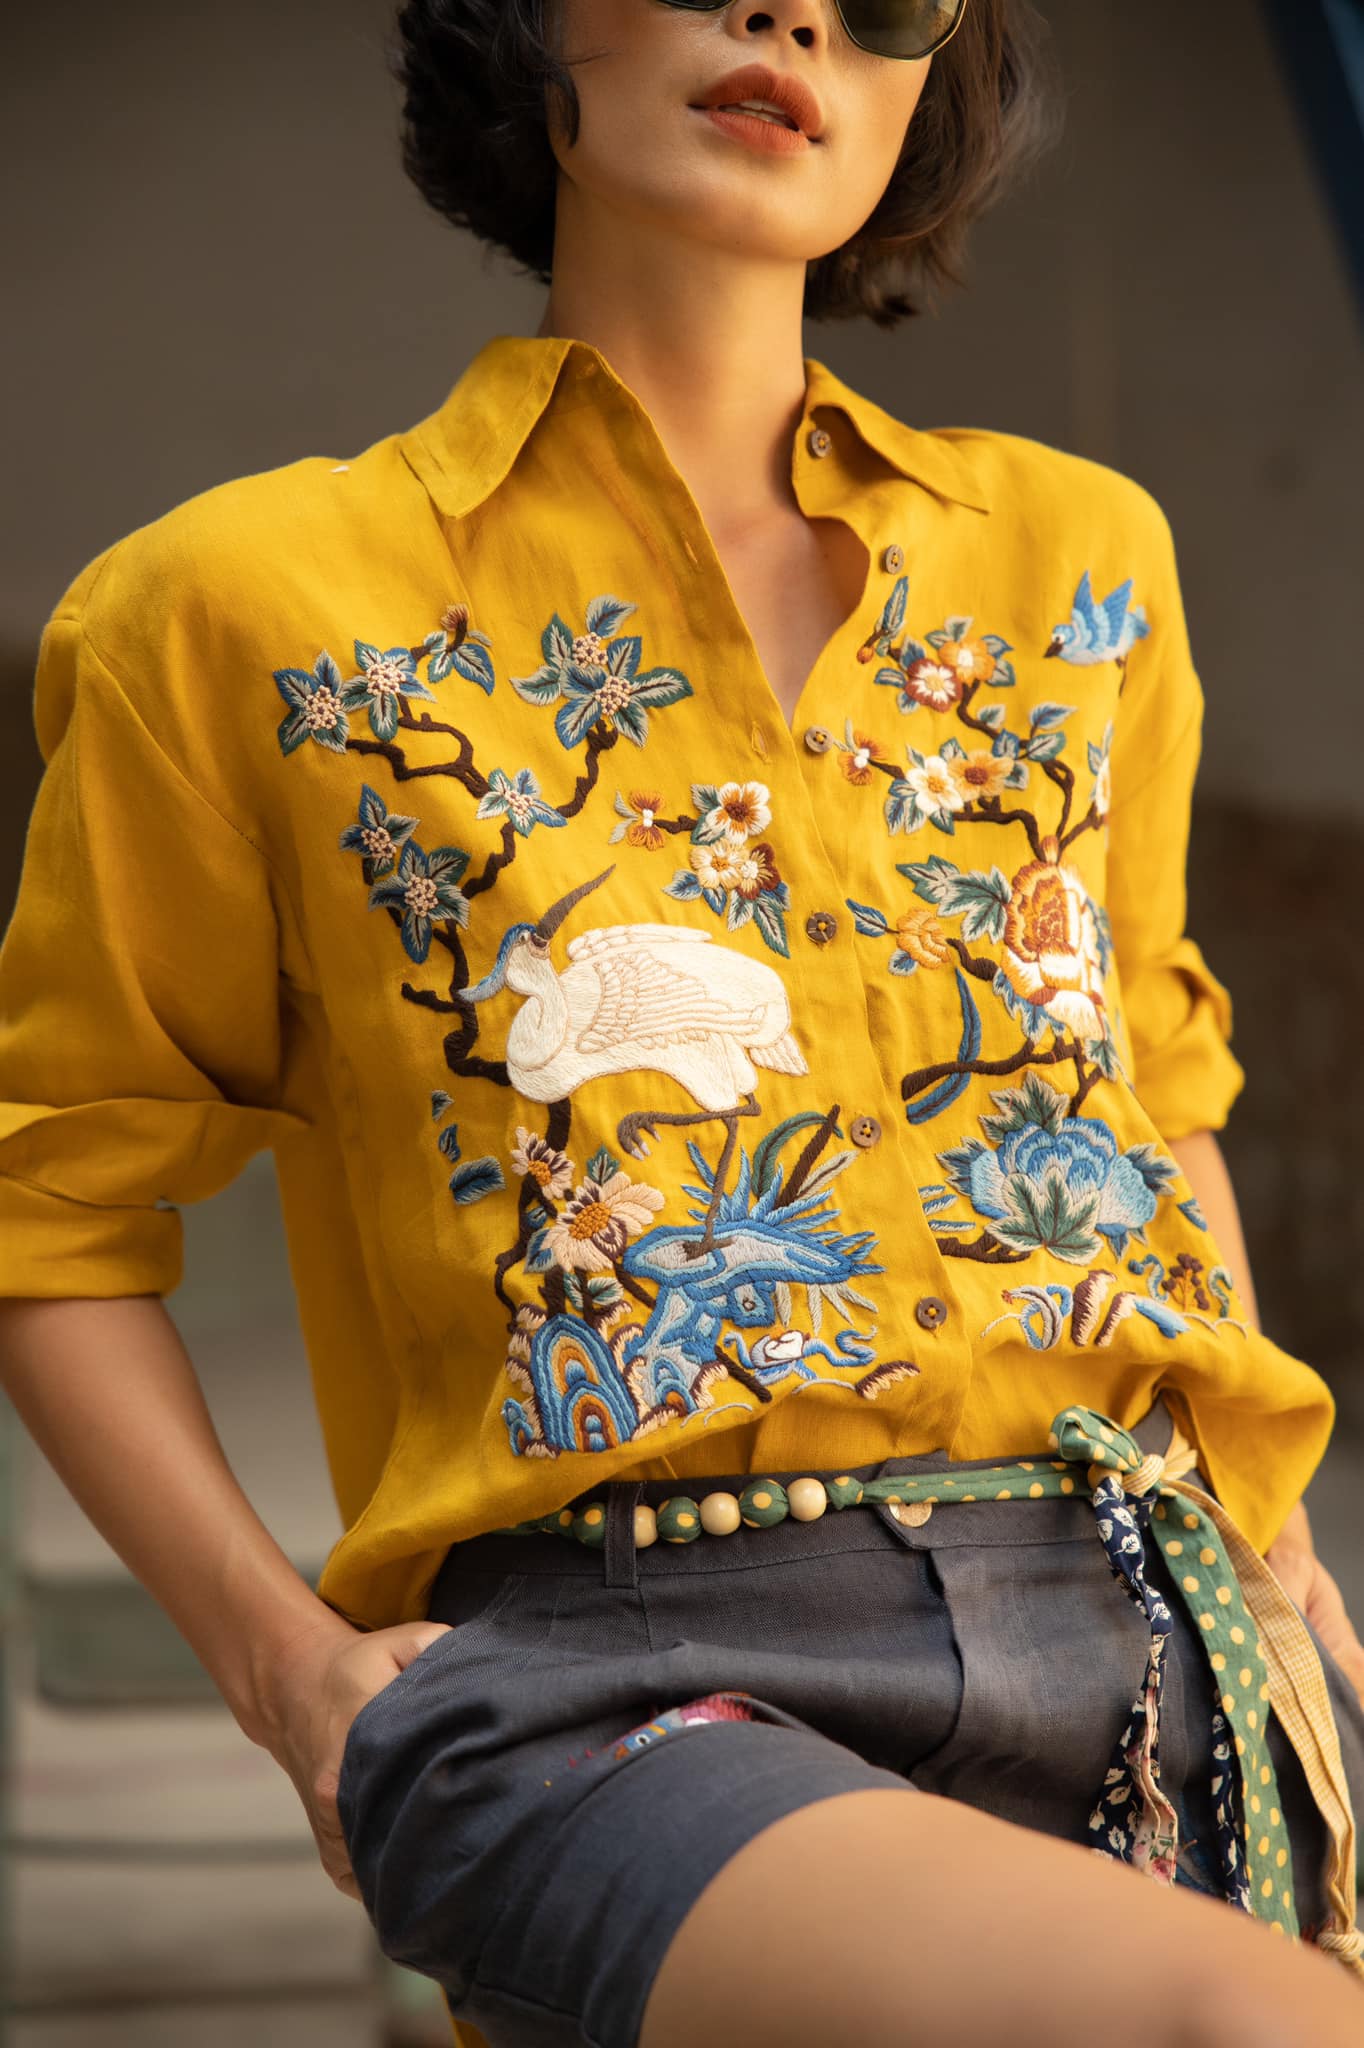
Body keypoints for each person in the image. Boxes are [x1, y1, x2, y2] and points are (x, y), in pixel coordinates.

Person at [1, 1, 1362, 2044]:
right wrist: (287, 1674)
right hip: (620, 1680)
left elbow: (1150, 1093)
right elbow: (48, 1215)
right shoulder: (241, 612)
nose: (791, 10)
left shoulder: (1076, 566)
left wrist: (1272, 1554)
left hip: (1153, 1625)